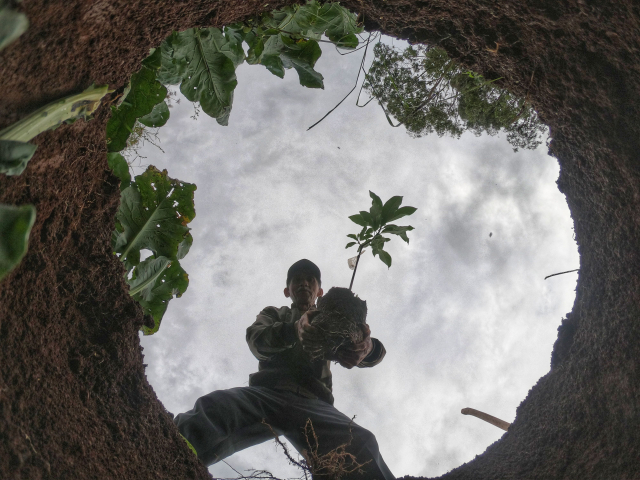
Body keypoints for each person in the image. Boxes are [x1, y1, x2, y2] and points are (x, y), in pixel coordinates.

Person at [174, 259, 394, 480]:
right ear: (286, 290)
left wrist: (367, 347)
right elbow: (256, 339)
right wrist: (294, 330)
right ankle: (162, 451)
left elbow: (368, 350)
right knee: (215, 408)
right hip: (268, 394)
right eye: (297, 280)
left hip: (315, 403)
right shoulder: (274, 313)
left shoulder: (331, 321)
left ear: (320, 292)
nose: (304, 284)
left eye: (311, 280)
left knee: (359, 443)